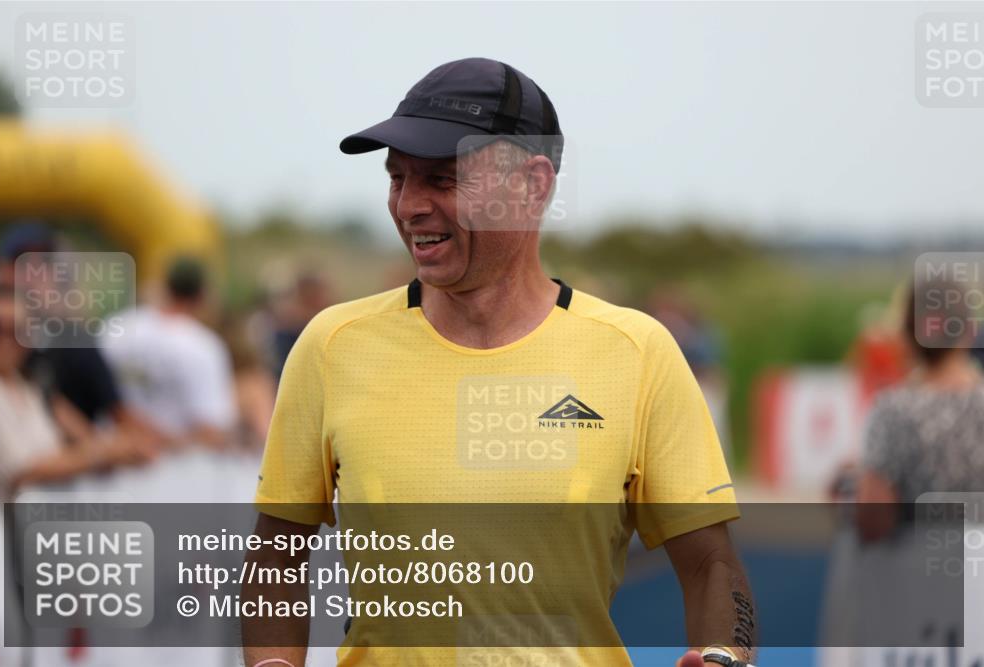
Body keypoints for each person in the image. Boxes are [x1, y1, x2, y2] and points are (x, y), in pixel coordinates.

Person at [244, 58, 756, 667]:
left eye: (441, 180)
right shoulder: (332, 344)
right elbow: (276, 553)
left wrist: (727, 657)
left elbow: (711, 563)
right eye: (397, 178)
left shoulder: (637, 352)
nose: (409, 206)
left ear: (534, 185)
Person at [0, 286, 143, 501]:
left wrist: (112, 449)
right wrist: (100, 454)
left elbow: (60, 446)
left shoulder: (30, 386)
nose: (6, 339)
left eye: (18, 331)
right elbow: (22, 470)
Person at [857, 280, 984, 539]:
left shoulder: (894, 411)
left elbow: (874, 521)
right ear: (969, 330)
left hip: (920, 570)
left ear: (906, 334)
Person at [101, 257, 236, 450]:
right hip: (175, 468)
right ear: (202, 295)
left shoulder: (115, 328)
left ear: (165, 287)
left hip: (110, 463)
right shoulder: (203, 346)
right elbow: (212, 430)